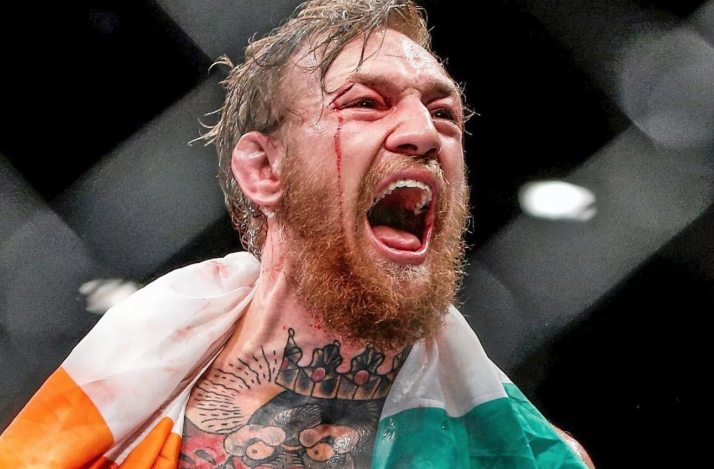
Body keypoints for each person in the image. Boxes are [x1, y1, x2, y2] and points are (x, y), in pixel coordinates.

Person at [0, 1, 595, 468]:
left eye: (444, 114)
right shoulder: (104, 429)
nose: (423, 133)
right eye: (366, 103)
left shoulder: (532, 457)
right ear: (265, 170)